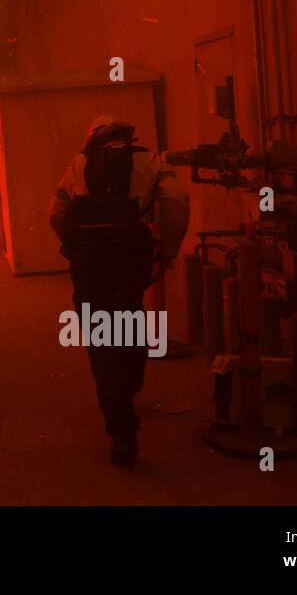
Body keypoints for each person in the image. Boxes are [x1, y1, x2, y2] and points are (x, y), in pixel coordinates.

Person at [48, 115, 190, 465]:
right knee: (130, 321)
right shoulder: (151, 160)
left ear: (94, 138)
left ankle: (121, 428)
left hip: (90, 265)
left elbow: (55, 212)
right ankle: (131, 380)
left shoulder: (79, 164)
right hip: (129, 261)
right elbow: (175, 201)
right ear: (128, 136)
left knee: (100, 341)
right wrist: (167, 249)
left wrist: (75, 243)